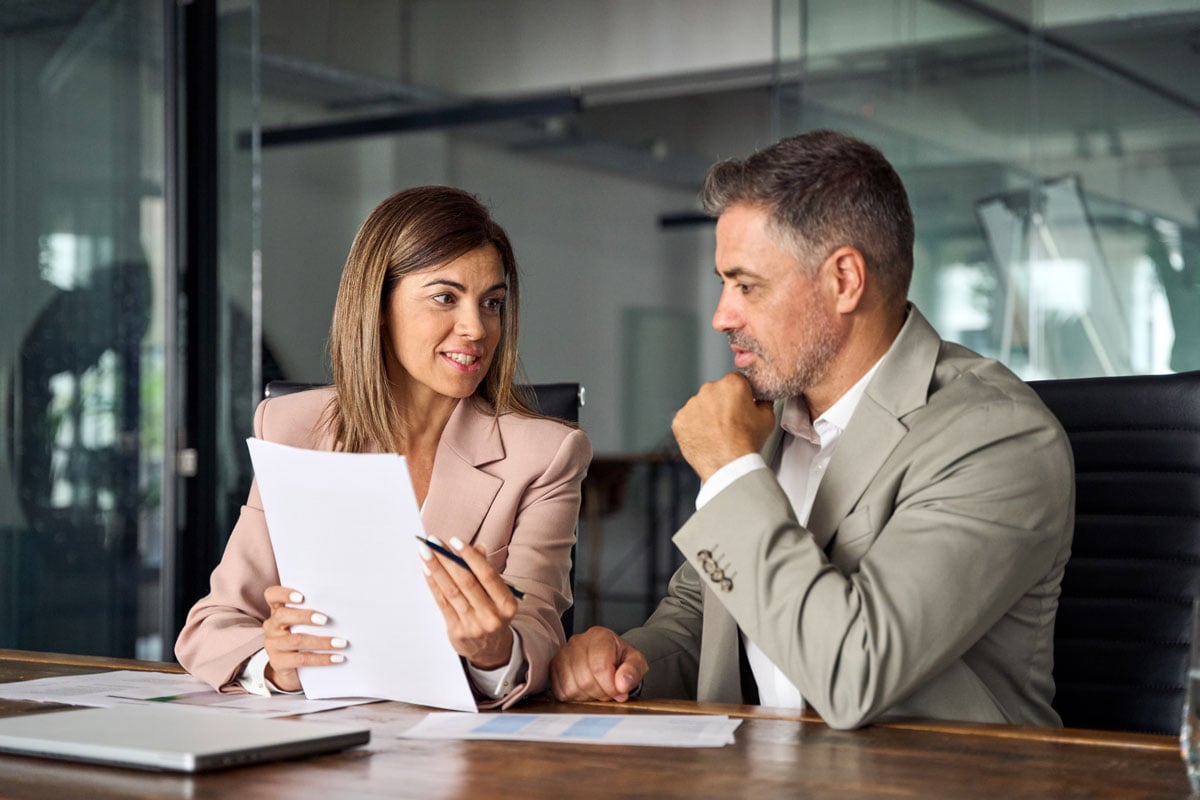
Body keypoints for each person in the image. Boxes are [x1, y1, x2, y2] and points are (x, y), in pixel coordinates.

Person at [549, 130, 1074, 730]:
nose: (722, 315)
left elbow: (856, 671)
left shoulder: (995, 438)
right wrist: (633, 661)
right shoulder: (769, 418)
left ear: (844, 280)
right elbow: (705, 609)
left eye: (747, 285)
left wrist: (728, 469)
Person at [176, 186, 591, 709]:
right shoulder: (292, 428)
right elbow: (211, 626)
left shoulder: (546, 455)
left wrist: (493, 652)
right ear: (379, 306)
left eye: (492, 304)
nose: (476, 329)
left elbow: (540, 632)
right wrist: (276, 663)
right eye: (445, 297)